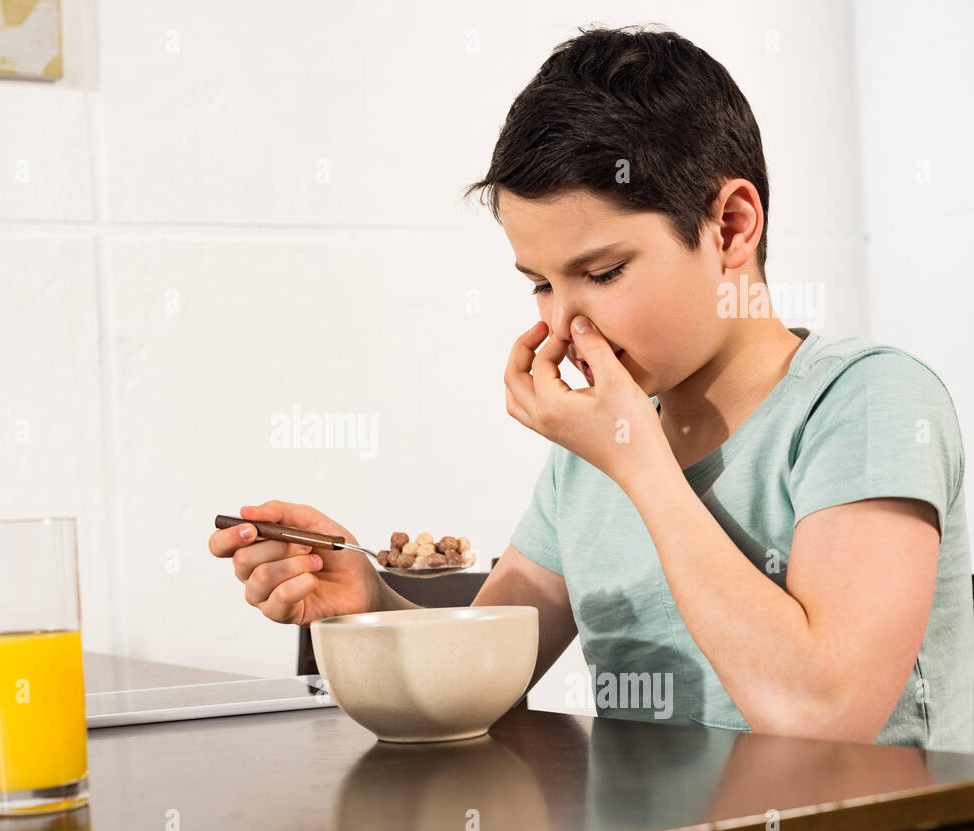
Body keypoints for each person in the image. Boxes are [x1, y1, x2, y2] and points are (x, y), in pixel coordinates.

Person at [209, 25, 972, 752]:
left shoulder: (869, 403)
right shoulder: (601, 444)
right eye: (540, 284)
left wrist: (637, 462)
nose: (567, 325)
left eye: (603, 273)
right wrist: (370, 601)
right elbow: (485, 676)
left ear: (733, 227)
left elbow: (821, 712)